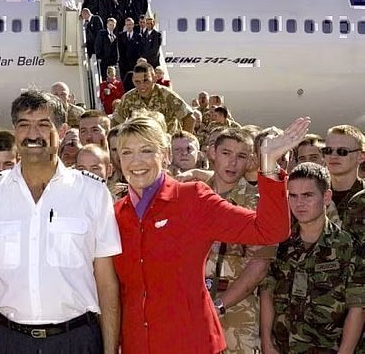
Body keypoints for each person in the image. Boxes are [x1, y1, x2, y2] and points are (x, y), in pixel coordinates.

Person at [112, 115, 310, 353]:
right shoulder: (116, 213)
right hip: (137, 345)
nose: (136, 161)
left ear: (164, 155)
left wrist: (268, 166)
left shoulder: (192, 198)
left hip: (191, 343)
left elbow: (269, 230)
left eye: (146, 150)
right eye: (126, 152)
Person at [0, 90, 121, 354]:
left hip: (76, 340)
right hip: (9, 341)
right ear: (15, 131)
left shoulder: (92, 194)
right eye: (24, 125)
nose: (32, 134)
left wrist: (110, 350)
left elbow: (106, 281)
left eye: (43, 125)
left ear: (62, 129)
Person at [260, 163, 365, 353]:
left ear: (326, 197)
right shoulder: (281, 244)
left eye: (308, 195)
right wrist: (266, 341)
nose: (299, 203)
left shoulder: (349, 248)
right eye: (293, 196)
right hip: (283, 347)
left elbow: (357, 308)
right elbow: (267, 292)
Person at [204, 129, 275, 354]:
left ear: (251, 160)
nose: (233, 162)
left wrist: (220, 304)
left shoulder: (257, 205)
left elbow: (259, 265)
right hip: (194, 309)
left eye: (241, 156)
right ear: (212, 153)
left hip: (238, 314)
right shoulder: (193, 196)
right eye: (226, 153)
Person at [112, 63, 195, 133]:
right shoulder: (128, 98)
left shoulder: (166, 95)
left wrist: (183, 141)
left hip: (165, 145)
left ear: (154, 78)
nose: (142, 86)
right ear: (133, 80)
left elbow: (189, 118)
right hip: (141, 146)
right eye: (137, 82)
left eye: (146, 81)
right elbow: (116, 120)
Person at [117, 18, 141, 92]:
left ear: (133, 25)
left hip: (134, 63)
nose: (129, 26)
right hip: (123, 64)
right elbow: (120, 50)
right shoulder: (121, 36)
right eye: (127, 25)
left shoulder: (138, 36)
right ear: (125, 25)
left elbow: (140, 50)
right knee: (125, 83)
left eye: (130, 24)